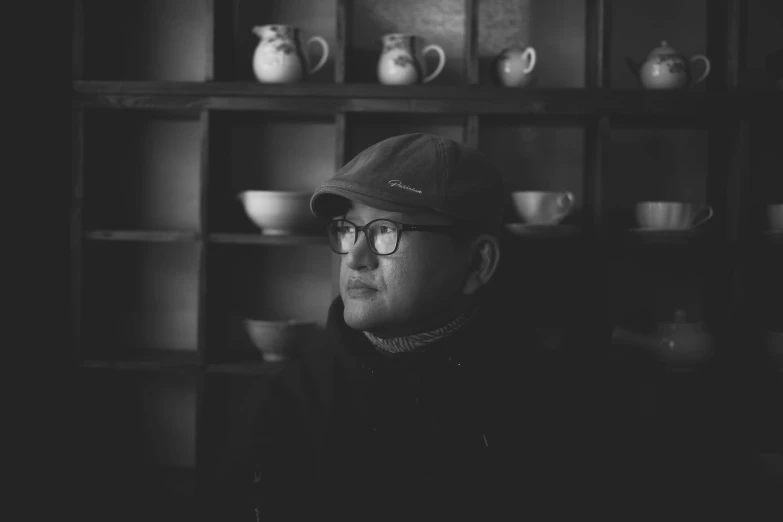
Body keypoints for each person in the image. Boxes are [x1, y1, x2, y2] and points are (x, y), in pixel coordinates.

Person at [203, 133, 780, 521]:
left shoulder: (557, 404)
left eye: (386, 233)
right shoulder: (291, 397)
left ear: (477, 263)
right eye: (348, 231)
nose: (355, 258)